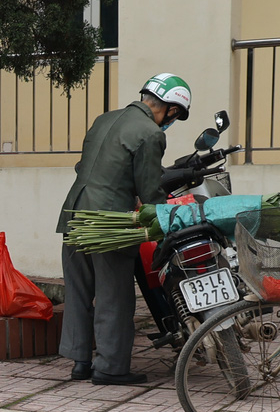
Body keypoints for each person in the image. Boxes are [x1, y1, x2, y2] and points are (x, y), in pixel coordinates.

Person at [58, 73, 189, 386]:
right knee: (113, 295)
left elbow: (89, 166)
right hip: (108, 220)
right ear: (170, 110)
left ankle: (80, 362)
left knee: (78, 290)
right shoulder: (151, 133)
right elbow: (150, 190)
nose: (172, 121)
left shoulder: (105, 119)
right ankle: (110, 368)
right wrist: (163, 220)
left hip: (75, 212)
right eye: (176, 116)